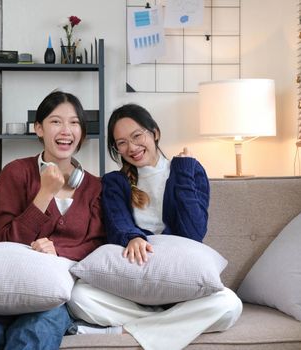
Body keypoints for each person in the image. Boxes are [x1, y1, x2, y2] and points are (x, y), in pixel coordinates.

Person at [0, 91, 106, 349]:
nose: (66, 130)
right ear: (39, 129)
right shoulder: (16, 172)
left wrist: (57, 250)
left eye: (74, 123)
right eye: (56, 121)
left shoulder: (95, 186)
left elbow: (96, 244)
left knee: (34, 333)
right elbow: (5, 238)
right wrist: (44, 194)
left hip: (53, 296)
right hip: (4, 285)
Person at [68, 103, 242, 350]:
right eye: (122, 143)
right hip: (134, 280)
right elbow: (117, 223)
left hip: (180, 279)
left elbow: (193, 233)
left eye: (137, 136)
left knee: (229, 305)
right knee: (79, 298)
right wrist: (133, 237)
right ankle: (171, 326)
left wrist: (183, 171)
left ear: (155, 133)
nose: (132, 147)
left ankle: (124, 331)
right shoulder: (115, 182)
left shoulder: (188, 170)